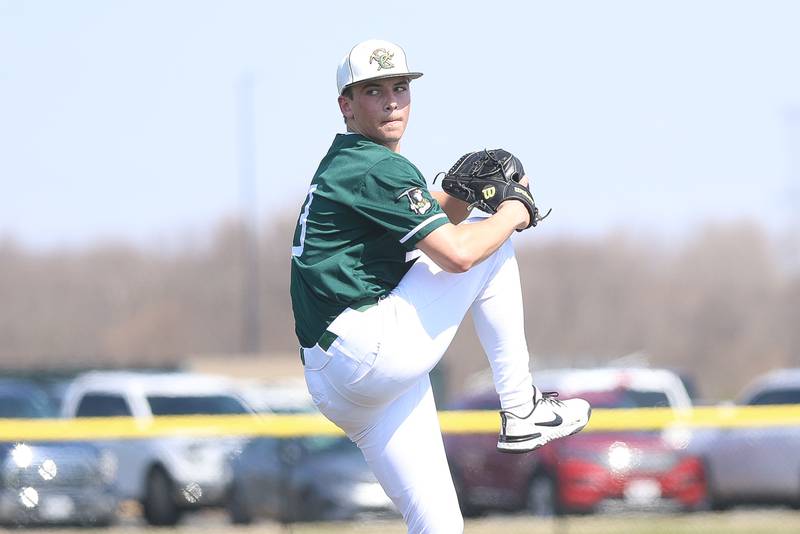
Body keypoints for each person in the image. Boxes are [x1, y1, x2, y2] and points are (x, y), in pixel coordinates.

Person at [290, 39, 590, 533]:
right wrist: (516, 210)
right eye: (372, 91)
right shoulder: (375, 165)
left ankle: (521, 411)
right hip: (365, 349)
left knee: (439, 523)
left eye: (400, 87)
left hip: (341, 374)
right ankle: (521, 409)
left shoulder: (348, 165)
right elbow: (458, 255)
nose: (391, 101)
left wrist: (453, 191)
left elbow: (423, 242)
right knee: (495, 248)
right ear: (345, 104)